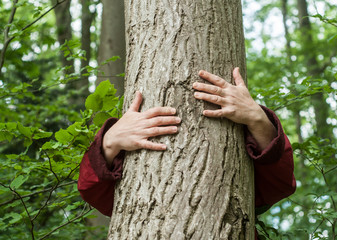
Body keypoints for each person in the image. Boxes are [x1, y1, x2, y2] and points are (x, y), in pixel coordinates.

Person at [78, 68, 296, 239]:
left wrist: (258, 120)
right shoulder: (129, 145)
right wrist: (108, 144)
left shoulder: (244, 142)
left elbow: (279, 183)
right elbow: (95, 191)